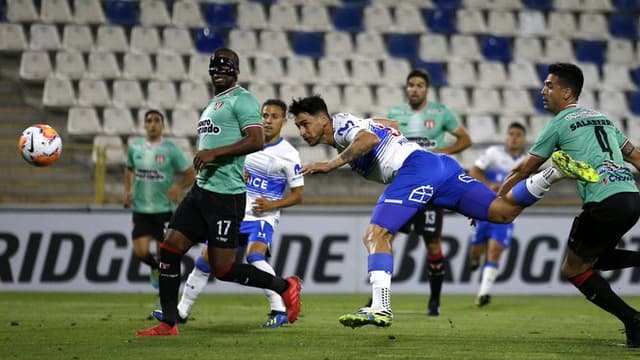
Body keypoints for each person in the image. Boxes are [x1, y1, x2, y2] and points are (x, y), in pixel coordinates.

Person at [289, 95, 597, 328]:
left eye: (305, 123)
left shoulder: (342, 125)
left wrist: (330, 164)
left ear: (323, 119)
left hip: (415, 169)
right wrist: (382, 132)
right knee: (502, 212)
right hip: (439, 165)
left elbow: (369, 139)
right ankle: (553, 172)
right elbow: (389, 126)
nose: (302, 131)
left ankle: (380, 307)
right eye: (298, 126)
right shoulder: (355, 124)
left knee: (376, 234)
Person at [136, 48, 302, 337]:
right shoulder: (213, 104)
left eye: (226, 68)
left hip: (226, 196)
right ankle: (169, 322)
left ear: (236, 71)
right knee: (169, 248)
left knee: (223, 269)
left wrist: (215, 153)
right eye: (215, 69)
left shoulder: (243, 99)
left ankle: (285, 286)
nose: (219, 73)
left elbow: (255, 140)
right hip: (202, 192)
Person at [498, 63, 640, 347]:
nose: (543, 90)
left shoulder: (559, 123)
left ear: (567, 92)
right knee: (595, 258)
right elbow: (636, 158)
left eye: (549, 85)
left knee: (573, 270)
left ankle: (633, 320)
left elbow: (525, 169)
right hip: (631, 197)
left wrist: (496, 200)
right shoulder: (604, 120)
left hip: (602, 201)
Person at [385, 68, 471, 316]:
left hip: (430, 189)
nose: (414, 89)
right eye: (411, 84)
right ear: (406, 88)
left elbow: (465, 139)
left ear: (427, 89)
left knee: (432, 244)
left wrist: (442, 154)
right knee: (385, 237)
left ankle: (434, 303)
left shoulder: (440, 113)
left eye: (419, 85)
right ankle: (379, 296)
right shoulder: (395, 114)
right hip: (402, 186)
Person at [123, 110, 195, 290]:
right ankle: (154, 268)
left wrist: (179, 187)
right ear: (144, 125)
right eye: (149, 121)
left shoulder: (171, 149)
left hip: (164, 209)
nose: (153, 124)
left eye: (156, 121)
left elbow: (190, 173)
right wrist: (128, 191)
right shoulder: (135, 148)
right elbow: (129, 169)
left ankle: (163, 299)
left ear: (163, 125)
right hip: (141, 209)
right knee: (140, 252)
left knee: (165, 255)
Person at [468, 122, 527, 307]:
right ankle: (475, 258)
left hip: (506, 213)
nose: (514, 137)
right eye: (511, 134)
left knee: (494, 251)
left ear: (523, 138)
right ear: (506, 137)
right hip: (485, 209)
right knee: (477, 251)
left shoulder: (527, 161)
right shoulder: (494, 153)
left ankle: (483, 293)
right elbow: (474, 170)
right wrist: (488, 186)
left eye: (518, 134)